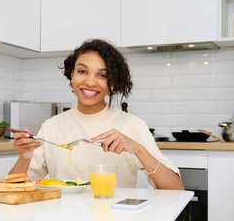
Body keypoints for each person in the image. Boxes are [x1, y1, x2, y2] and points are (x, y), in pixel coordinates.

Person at [9, 39, 184, 190]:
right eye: (82, 71)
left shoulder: (132, 125)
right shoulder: (51, 126)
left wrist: (138, 150)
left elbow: (176, 190)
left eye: (102, 75)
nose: (90, 82)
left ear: (112, 82)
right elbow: (12, 189)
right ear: (72, 74)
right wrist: (25, 158)